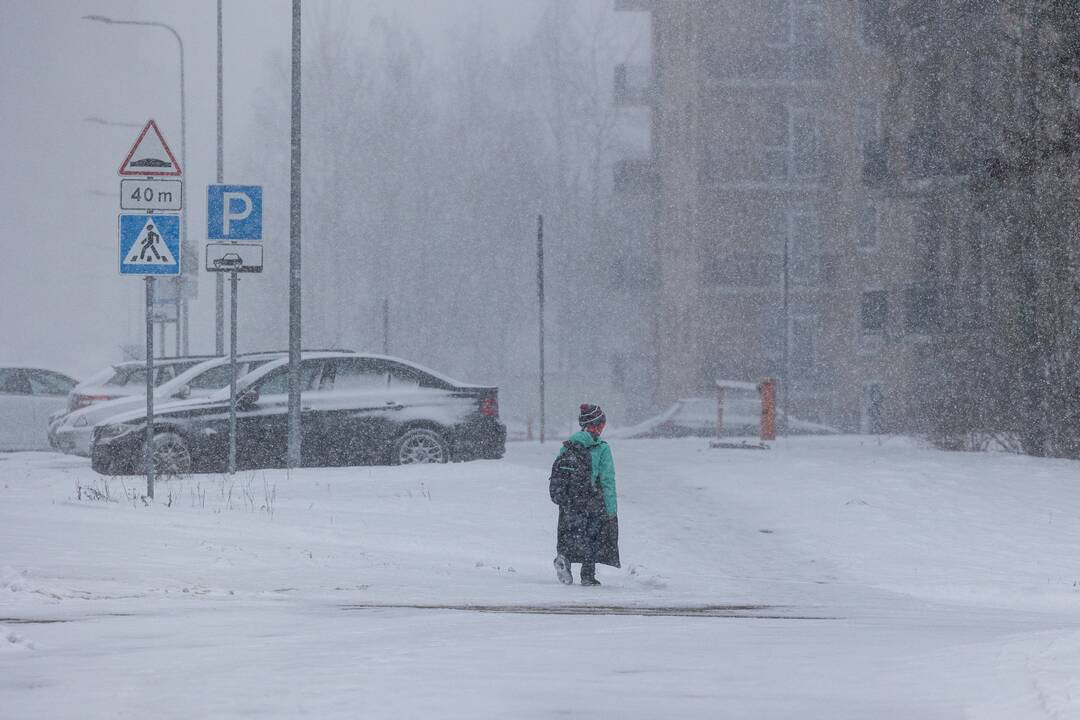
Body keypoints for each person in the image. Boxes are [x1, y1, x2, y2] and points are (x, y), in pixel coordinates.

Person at [553, 403, 620, 586]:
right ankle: (587, 575)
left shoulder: (569, 445)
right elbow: (607, 481)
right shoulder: (601, 448)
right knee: (591, 536)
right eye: (602, 425)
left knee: (569, 533)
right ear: (596, 425)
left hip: (569, 500)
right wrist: (611, 510)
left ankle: (563, 558)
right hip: (592, 500)